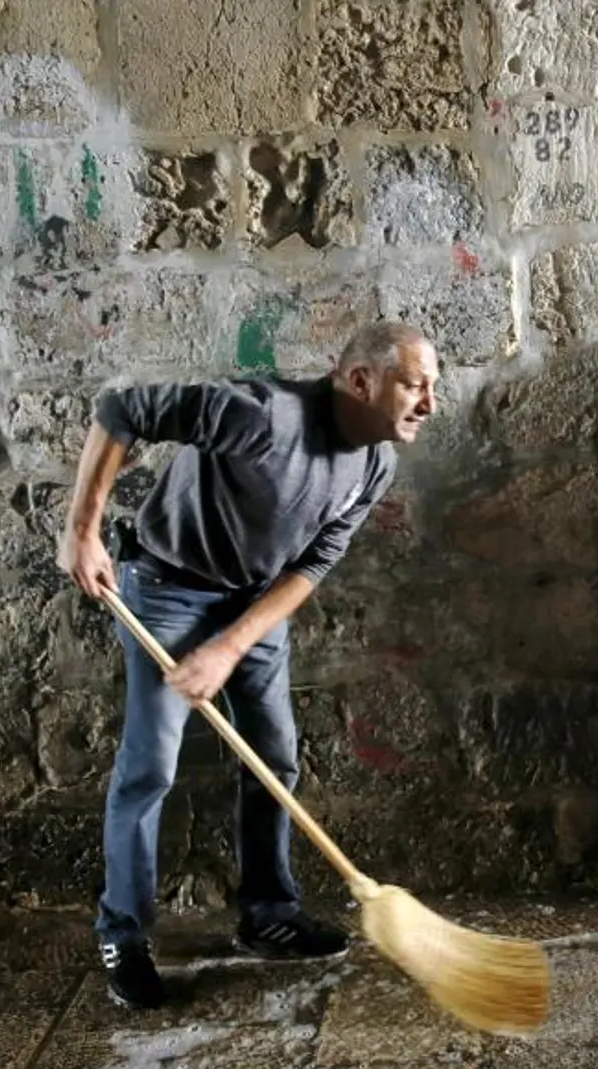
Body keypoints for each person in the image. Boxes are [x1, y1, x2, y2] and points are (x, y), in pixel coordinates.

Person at [55, 321, 440, 1010]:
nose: (428, 403)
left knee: (274, 758)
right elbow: (123, 411)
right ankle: (124, 931)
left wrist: (231, 643)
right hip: (166, 587)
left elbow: (311, 564)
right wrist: (81, 532)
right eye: (415, 384)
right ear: (360, 381)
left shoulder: (376, 460)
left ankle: (268, 912)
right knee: (149, 767)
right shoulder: (261, 416)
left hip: (253, 605)